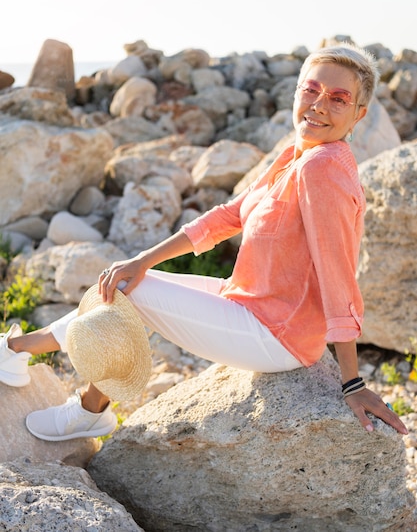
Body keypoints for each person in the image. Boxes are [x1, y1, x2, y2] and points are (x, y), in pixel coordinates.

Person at [0, 43, 408, 440]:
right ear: (296, 91)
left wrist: (352, 382)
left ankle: (62, 388)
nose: (319, 105)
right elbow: (230, 215)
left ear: (359, 115)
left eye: (338, 99)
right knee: (128, 280)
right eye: (311, 90)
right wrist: (143, 259)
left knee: (127, 293)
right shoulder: (297, 156)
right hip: (249, 302)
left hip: (276, 334)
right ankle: (23, 353)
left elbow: (338, 275)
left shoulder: (322, 169)